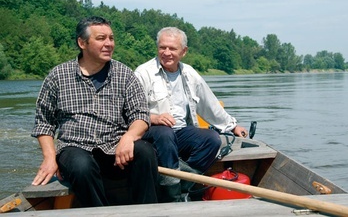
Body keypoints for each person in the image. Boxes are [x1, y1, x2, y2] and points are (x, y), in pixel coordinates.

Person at [31, 16, 158, 207]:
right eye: (101, 38)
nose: (109, 44)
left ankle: (147, 211)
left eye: (111, 38)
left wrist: (129, 136)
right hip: (75, 148)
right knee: (82, 166)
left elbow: (140, 115)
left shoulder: (124, 74)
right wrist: (50, 158)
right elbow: (44, 123)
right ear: (82, 43)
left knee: (145, 152)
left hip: (116, 150)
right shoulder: (58, 76)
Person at [135, 26, 248, 202]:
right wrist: (155, 118)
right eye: (162, 47)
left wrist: (232, 125)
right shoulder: (143, 73)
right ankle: (173, 198)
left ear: (184, 51)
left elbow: (209, 104)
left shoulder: (189, 73)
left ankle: (181, 186)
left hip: (180, 132)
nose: (166, 52)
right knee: (165, 133)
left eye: (172, 48)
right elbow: (130, 112)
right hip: (151, 132)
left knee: (212, 139)